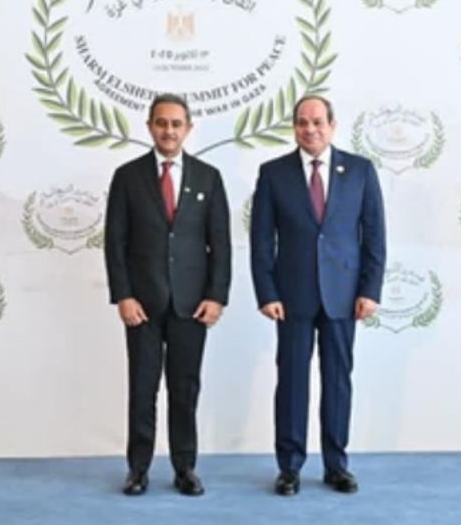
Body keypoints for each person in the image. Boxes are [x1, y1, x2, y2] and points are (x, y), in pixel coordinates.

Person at [249, 96, 386, 496]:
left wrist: (370, 290)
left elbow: (375, 236)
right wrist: (266, 292)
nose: (310, 129)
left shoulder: (360, 170)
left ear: (332, 125)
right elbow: (261, 241)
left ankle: (336, 465)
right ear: (294, 127)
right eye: (302, 122)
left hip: (344, 295)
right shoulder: (273, 173)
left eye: (317, 122)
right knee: (292, 382)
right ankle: (289, 468)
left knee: (338, 382)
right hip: (291, 297)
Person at [104, 93, 231, 496]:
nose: (169, 131)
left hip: (191, 306)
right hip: (142, 305)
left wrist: (217, 296)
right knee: (142, 390)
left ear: (188, 128)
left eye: (176, 124)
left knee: (185, 389)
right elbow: (115, 242)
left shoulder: (209, 178)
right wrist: (123, 296)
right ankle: (138, 469)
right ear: (150, 127)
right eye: (161, 123)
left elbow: (220, 244)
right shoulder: (127, 177)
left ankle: (185, 468)